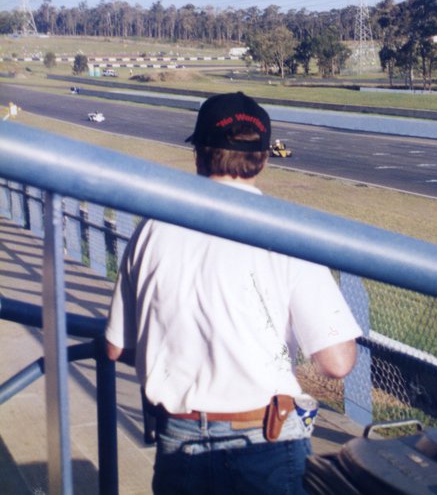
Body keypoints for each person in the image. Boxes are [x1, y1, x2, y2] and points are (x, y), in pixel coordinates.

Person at [105, 92, 361, 495]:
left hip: (178, 435)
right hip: (267, 441)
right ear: (263, 157)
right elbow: (337, 361)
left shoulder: (152, 228)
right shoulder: (288, 231)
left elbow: (114, 347)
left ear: (199, 153)